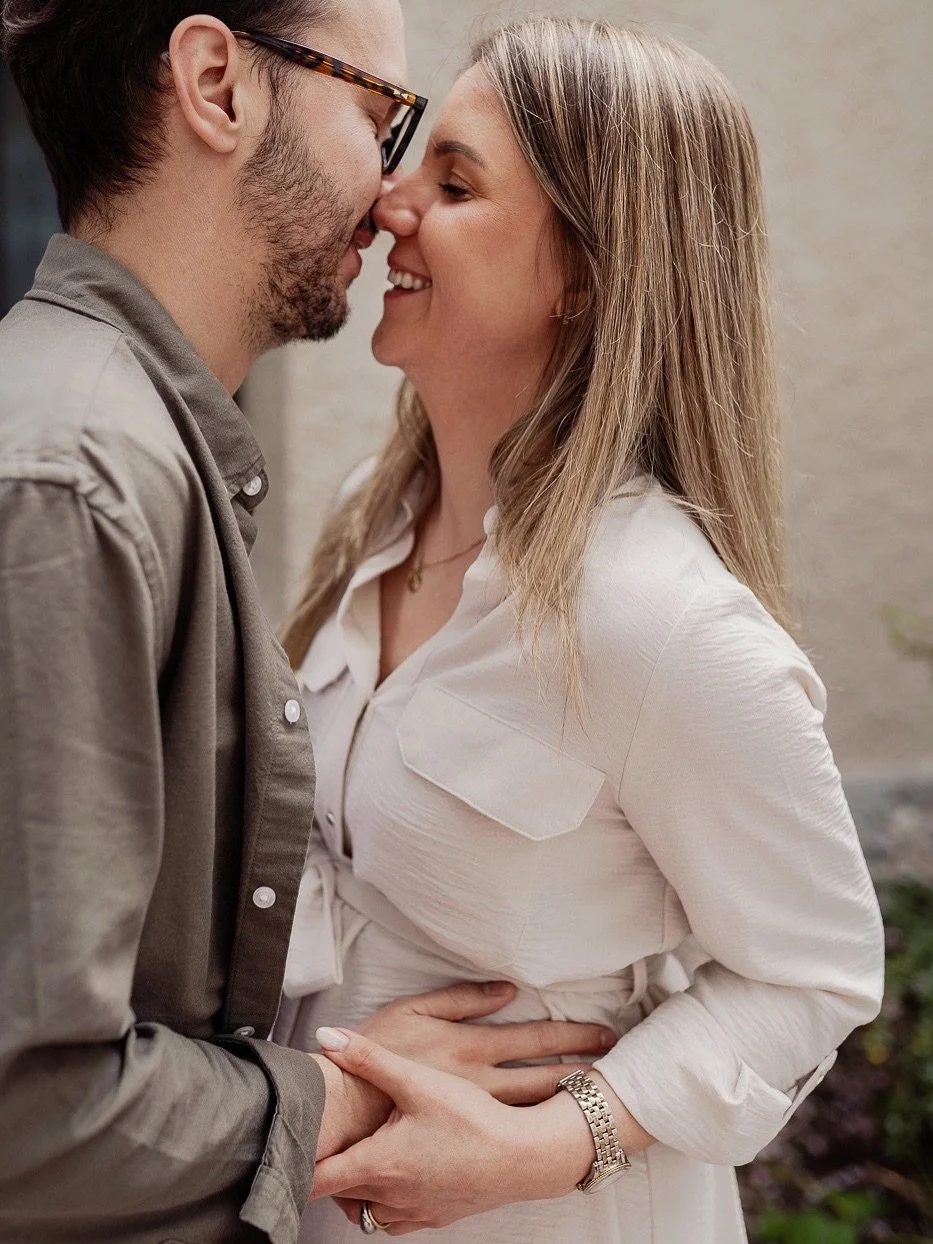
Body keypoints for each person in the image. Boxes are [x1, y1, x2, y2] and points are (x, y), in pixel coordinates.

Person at [0, 3, 617, 1241]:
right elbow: (31, 1109)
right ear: (218, 83)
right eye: (383, 118)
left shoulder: (127, 449)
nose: (394, 201)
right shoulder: (77, 482)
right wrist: (330, 1090)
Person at [277, 16, 887, 1242]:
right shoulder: (367, 517)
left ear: (587, 273)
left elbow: (816, 970)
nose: (388, 201)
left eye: (454, 182)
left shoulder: (659, 619)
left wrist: (558, 1140)